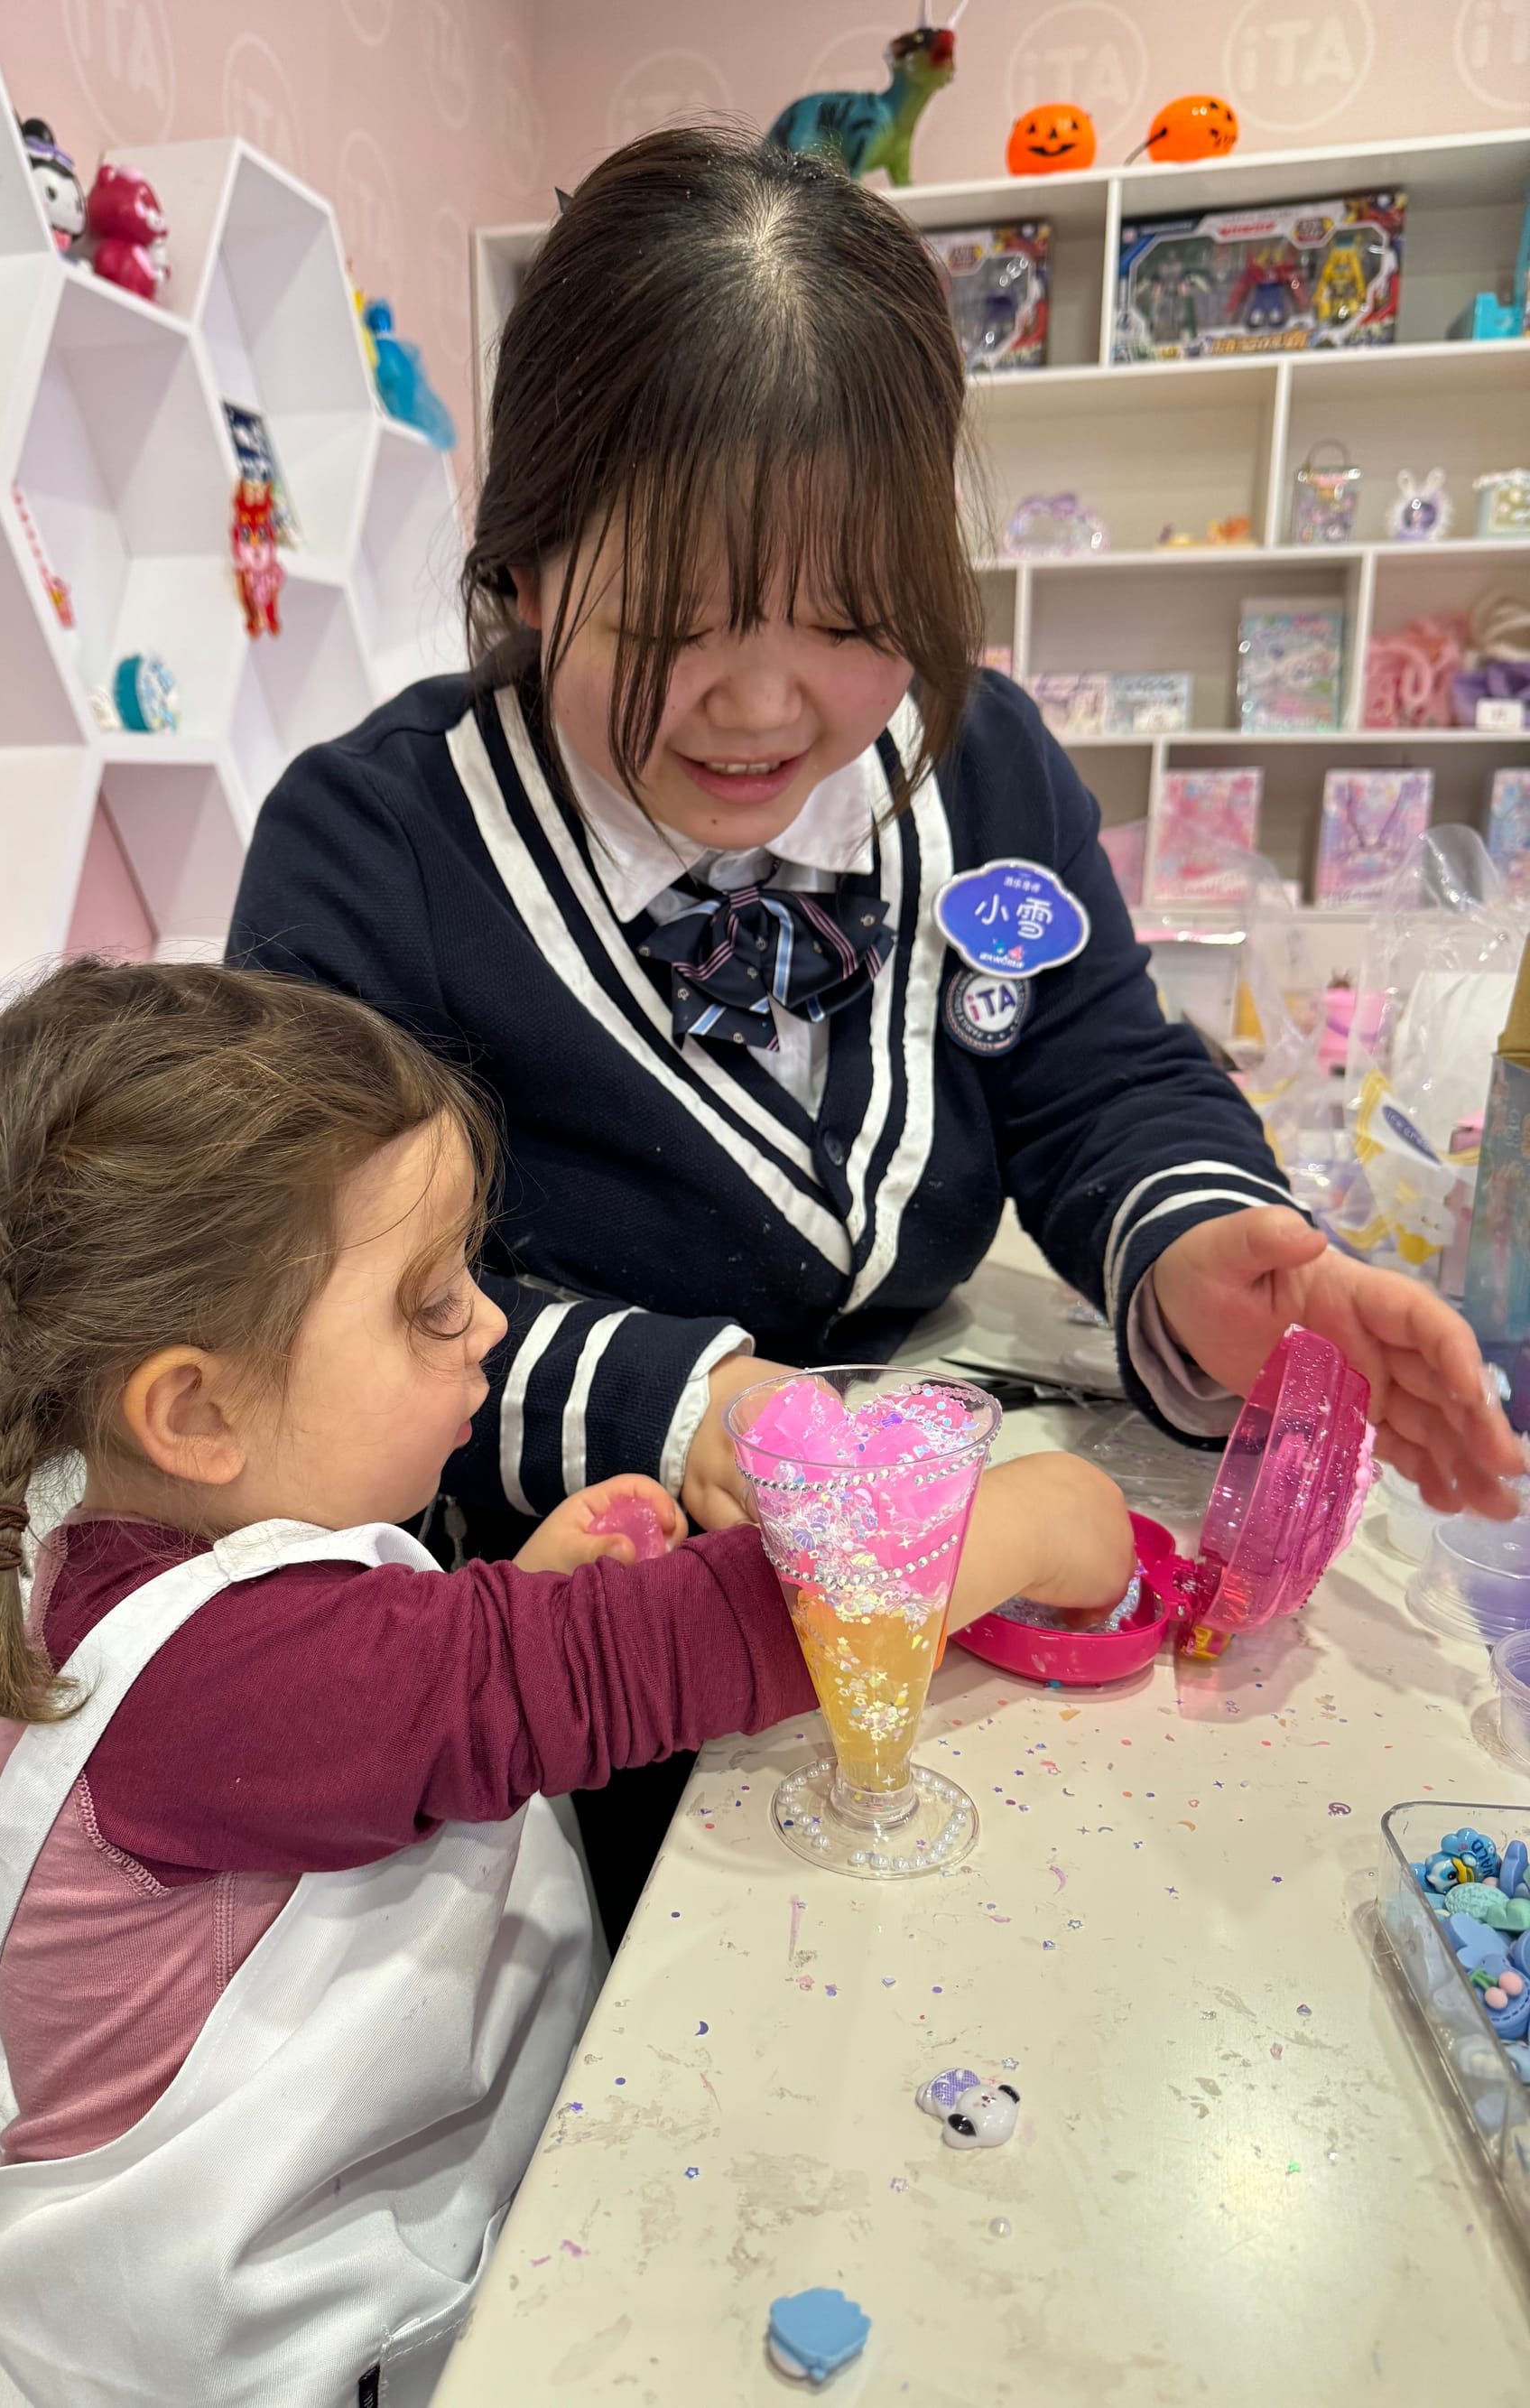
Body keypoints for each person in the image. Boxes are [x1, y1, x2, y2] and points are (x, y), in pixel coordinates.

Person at [229, 126, 1519, 1930]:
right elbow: (315, 1300)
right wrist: (700, 1411)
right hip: (561, 1657)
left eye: (850, 621)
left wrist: (1217, 1253)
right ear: (520, 570)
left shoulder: (974, 765)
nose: (766, 705)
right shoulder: (379, 846)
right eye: (675, 624)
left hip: (939, 1604)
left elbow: (1094, 1064)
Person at [0, 958, 1134, 2408]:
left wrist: (521, 1599)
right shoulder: (224, 1681)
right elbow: (671, 1653)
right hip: (254, 2349)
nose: (486, 1324)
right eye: (426, 1304)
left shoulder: (151, 1547)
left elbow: (383, 1723)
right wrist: (1022, 1519)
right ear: (197, 1409)